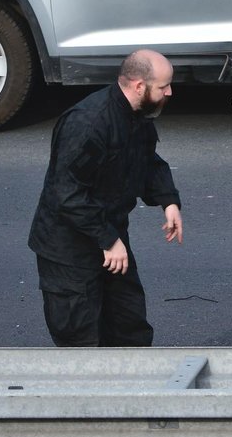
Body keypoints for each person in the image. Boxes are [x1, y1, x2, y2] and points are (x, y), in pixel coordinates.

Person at [29, 49, 183, 347]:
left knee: (129, 326)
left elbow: (148, 161)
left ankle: (134, 390)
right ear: (139, 86)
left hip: (109, 236)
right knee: (81, 337)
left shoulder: (137, 116)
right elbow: (67, 194)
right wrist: (108, 240)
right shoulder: (88, 124)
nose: (169, 92)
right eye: (163, 87)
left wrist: (169, 202)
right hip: (69, 249)